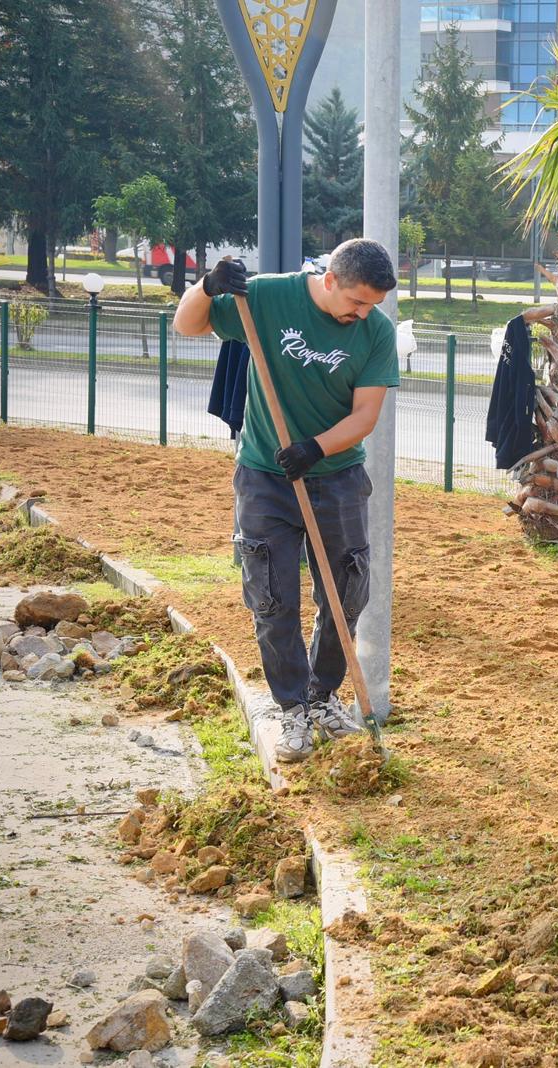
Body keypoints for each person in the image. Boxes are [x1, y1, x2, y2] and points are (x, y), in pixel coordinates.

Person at [174, 239, 400, 762]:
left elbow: (365, 416)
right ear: (330, 280)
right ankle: (293, 708)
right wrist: (206, 287)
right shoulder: (267, 297)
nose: (363, 314)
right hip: (264, 477)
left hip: (338, 477)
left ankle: (323, 697)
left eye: (373, 305)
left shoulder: (376, 331)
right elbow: (188, 325)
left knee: (346, 594)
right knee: (272, 598)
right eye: (357, 302)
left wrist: (314, 448)